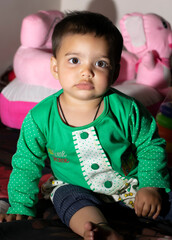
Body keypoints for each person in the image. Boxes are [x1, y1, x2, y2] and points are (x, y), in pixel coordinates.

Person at [0, 11, 171, 240]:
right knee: (64, 196)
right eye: (74, 60)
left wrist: (151, 185)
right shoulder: (39, 118)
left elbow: (150, 145)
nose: (86, 71)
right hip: (78, 189)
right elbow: (26, 164)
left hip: (134, 185)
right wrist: (20, 206)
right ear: (55, 67)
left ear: (115, 72)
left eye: (100, 63)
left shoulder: (126, 109)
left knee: (166, 194)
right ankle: (100, 229)